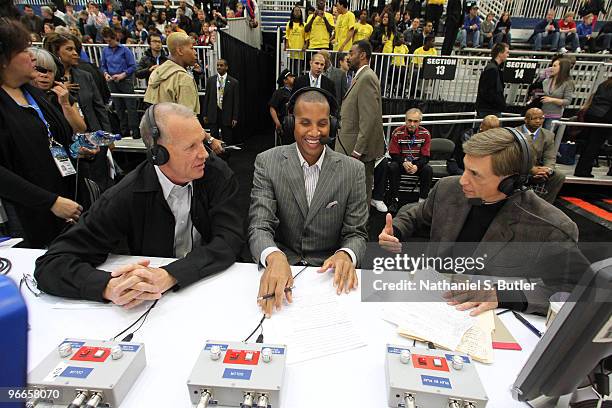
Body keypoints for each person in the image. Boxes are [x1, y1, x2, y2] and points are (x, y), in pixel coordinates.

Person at [34, 103, 244, 304]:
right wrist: (108, 286)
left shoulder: (217, 174)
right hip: (150, 300)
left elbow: (229, 239)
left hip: (206, 285)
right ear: (158, 154)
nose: (205, 154)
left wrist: (171, 274)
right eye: (191, 147)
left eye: (203, 141)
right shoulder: (126, 194)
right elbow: (51, 264)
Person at [379, 128, 582, 316]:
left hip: (493, 318)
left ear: (511, 181)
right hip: (433, 303)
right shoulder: (447, 189)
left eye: (475, 174)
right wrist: (395, 230)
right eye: (465, 168)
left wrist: (503, 295)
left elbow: (573, 290)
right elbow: (415, 216)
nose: (462, 180)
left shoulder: (552, 227)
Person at [248, 88, 368, 317]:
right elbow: (259, 226)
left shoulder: (353, 170)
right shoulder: (267, 162)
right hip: (281, 268)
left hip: (329, 277)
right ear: (291, 122)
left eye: (322, 124)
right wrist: (274, 256)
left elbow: (357, 234)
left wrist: (346, 254)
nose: (314, 132)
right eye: (305, 122)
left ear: (332, 126)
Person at [0, 18, 83, 248]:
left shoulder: (32, 93)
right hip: (29, 214)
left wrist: (80, 150)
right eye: (24, 50)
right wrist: (50, 202)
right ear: (5, 60)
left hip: (63, 201)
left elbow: (59, 138)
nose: (33, 56)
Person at [43, 33, 115, 192]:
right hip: (64, 143)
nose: (75, 53)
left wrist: (108, 136)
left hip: (93, 137)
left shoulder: (85, 75)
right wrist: (55, 91)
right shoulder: (46, 80)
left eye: (75, 49)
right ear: (56, 52)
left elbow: (99, 107)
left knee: (100, 182)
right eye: (69, 49)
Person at [335, 40, 385, 204]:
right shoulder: (360, 76)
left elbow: (369, 118)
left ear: (362, 55)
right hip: (349, 148)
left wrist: (358, 150)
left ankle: (359, 228)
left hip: (356, 151)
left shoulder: (367, 78)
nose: (348, 57)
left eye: (351, 53)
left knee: (360, 194)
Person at [28, 47, 86, 134]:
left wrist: (65, 104)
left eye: (50, 71)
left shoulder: (62, 95)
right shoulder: (20, 96)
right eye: (40, 70)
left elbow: (80, 129)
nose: (45, 75)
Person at [144, 32, 202, 118]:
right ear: (180, 51)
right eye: (192, 48)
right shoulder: (183, 78)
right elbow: (187, 118)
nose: (195, 52)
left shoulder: (157, 73)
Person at [387, 108, 433, 212]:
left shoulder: (425, 134)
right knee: (392, 167)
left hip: (417, 164)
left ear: (420, 122)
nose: (412, 124)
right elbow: (393, 153)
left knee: (428, 170)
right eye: (409, 120)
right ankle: (394, 199)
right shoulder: (397, 132)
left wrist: (417, 165)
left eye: (415, 121)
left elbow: (426, 156)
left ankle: (422, 201)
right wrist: (403, 162)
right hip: (402, 163)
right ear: (405, 120)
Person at [516, 108, 565, 203]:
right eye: (534, 118)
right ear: (526, 119)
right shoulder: (515, 133)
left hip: (539, 169)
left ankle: (544, 204)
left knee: (559, 175)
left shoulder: (548, 135)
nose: (538, 121)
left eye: (541, 118)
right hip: (519, 168)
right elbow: (514, 158)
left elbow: (550, 157)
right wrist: (532, 170)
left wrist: (547, 170)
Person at [100, 27, 139, 139]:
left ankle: (135, 131)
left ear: (114, 38)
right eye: (106, 41)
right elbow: (103, 66)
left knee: (131, 107)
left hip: (125, 81)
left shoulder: (124, 50)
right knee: (118, 107)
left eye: (110, 40)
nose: (108, 43)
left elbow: (133, 66)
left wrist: (123, 74)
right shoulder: (105, 51)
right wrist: (106, 74)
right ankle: (123, 130)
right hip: (112, 81)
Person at [574, 77, 612, 177]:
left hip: (592, 114)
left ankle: (581, 170)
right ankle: (583, 171)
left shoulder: (604, 83)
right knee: (593, 146)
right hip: (604, 117)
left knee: (589, 145)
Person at [203, 59, 240, 146]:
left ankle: (226, 157)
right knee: (213, 138)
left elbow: (236, 102)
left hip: (227, 115)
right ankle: (214, 158)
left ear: (226, 67)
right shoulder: (211, 80)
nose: (219, 67)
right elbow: (206, 98)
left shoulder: (234, 82)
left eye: (221, 65)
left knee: (227, 139)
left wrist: (235, 117)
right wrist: (205, 114)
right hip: (213, 113)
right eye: (218, 65)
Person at [475, 42, 509, 118]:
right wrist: (499, 103)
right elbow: (487, 91)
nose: (508, 55)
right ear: (500, 53)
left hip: (490, 109)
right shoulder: (492, 69)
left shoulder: (494, 68)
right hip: (489, 110)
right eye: (507, 52)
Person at [541, 57, 574, 130]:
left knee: (547, 137)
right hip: (540, 114)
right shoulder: (546, 81)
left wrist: (552, 100)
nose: (551, 68)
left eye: (555, 66)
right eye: (552, 65)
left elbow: (567, 101)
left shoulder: (568, 83)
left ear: (562, 68)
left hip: (554, 115)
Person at [269, 69, 295, 144]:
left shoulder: (296, 91)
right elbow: (272, 108)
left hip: (296, 123)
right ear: (285, 81)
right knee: (285, 145)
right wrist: (277, 123)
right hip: (285, 123)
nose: (293, 78)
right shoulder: (279, 92)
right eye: (291, 77)